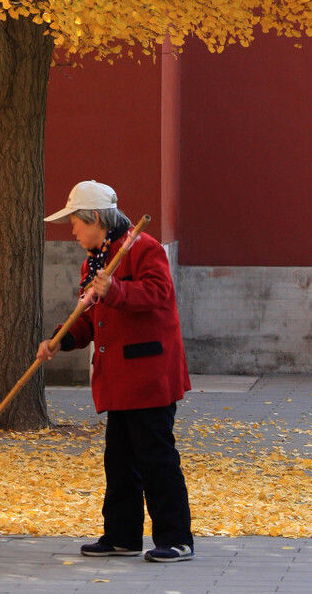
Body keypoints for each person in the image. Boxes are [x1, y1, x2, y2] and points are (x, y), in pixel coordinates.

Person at [37, 179, 194, 563]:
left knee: (155, 457)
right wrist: (63, 339)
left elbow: (159, 294)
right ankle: (122, 536)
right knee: (119, 459)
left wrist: (115, 292)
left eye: (75, 222)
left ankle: (177, 538)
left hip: (149, 374)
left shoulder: (144, 249)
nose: (72, 231)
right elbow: (89, 317)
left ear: (96, 219)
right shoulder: (94, 262)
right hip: (119, 378)